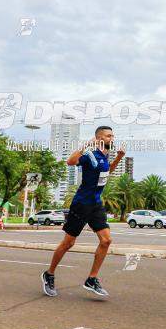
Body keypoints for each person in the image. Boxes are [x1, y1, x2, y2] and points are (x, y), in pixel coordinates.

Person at [43, 126, 125, 297]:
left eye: (113, 135)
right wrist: (86, 144)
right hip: (81, 204)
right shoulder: (89, 155)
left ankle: (91, 279)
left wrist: (119, 157)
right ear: (99, 138)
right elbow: (70, 161)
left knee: (106, 240)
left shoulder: (104, 155)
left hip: (96, 204)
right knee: (68, 243)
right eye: (109, 136)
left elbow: (107, 171)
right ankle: (49, 274)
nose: (112, 138)